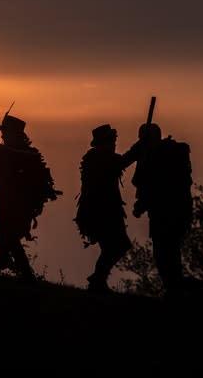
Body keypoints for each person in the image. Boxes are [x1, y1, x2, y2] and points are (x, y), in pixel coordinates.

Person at [0, 111, 61, 281]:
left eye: (6, 132)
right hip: (6, 204)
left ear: (16, 134)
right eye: (3, 133)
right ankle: (9, 262)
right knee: (5, 231)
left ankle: (25, 274)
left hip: (21, 205)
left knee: (11, 236)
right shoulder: (4, 152)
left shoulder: (24, 155)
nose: (3, 135)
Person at [74, 124, 140, 293]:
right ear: (103, 143)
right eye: (111, 141)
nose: (114, 144)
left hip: (104, 211)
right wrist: (139, 146)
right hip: (101, 212)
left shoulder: (99, 158)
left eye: (114, 140)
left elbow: (120, 162)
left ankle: (98, 280)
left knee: (113, 247)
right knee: (118, 246)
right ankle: (98, 279)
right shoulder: (98, 159)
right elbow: (122, 162)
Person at [131, 122, 194, 297]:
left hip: (168, 215)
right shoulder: (155, 155)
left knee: (167, 254)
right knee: (167, 253)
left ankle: (175, 291)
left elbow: (154, 188)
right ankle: (173, 290)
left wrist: (141, 205)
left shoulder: (161, 158)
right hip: (167, 214)